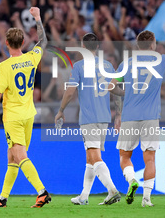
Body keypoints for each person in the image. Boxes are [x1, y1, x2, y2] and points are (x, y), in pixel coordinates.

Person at [0, 7, 51, 208]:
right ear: (23, 42)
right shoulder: (32, 58)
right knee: (13, 157)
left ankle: (42, 192)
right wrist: (38, 18)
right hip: (29, 115)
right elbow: (43, 41)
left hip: (13, 117)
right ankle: (3, 198)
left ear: (6, 43)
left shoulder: (5, 66)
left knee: (20, 155)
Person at [109, 26, 165, 207]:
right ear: (153, 45)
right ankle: (146, 199)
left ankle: (132, 181)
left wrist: (123, 101)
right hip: (151, 117)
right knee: (150, 159)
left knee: (124, 156)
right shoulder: (161, 60)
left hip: (129, 116)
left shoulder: (126, 64)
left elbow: (111, 86)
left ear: (139, 46)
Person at [55, 33, 122, 206]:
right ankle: (84, 196)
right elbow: (116, 90)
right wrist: (119, 115)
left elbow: (70, 91)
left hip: (89, 117)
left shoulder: (79, 66)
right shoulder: (107, 65)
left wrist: (61, 110)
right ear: (98, 47)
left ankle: (112, 190)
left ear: (83, 47)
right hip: (104, 117)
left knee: (95, 157)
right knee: (90, 159)